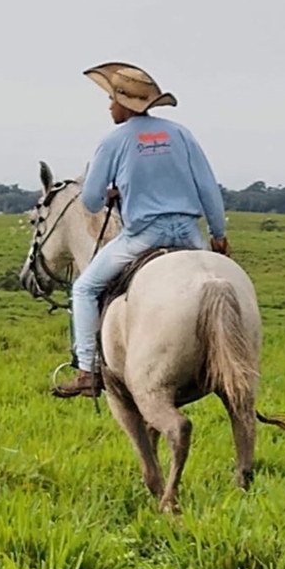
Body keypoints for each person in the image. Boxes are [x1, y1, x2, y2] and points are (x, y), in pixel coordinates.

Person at [53, 62, 231, 398]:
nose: (109, 106)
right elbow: (209, 188)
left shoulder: (113, 141)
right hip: (190, 235)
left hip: (144, 235)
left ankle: (87, 370)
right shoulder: (181, 134)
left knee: (84, 288)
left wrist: (108, 194)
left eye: (111, 100)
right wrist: (218, 234)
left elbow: (90, 200)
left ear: (125, 104)